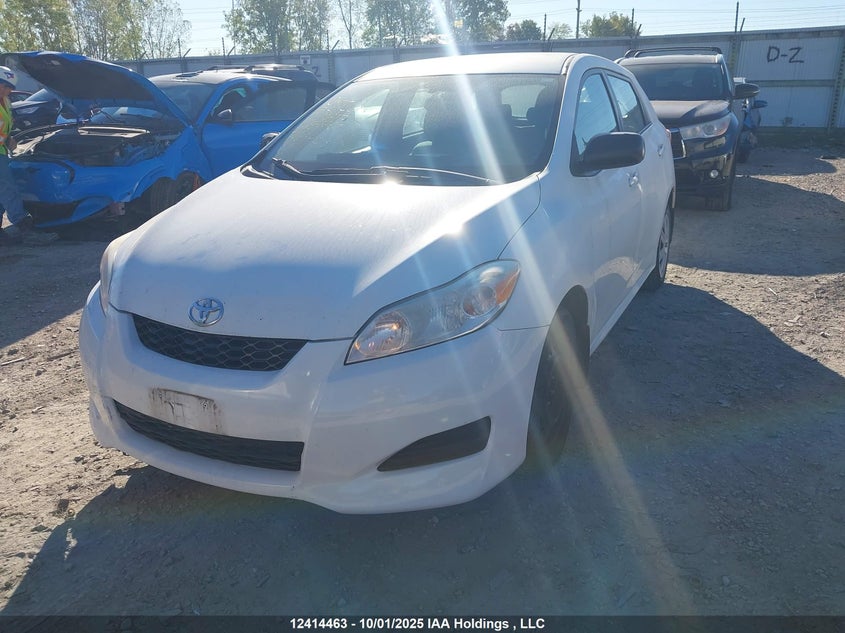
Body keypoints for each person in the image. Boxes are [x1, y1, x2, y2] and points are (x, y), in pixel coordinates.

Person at [0, 66, 55, 245]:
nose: (8, 91)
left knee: (3, 192)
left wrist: (10, 138)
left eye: (10, 88)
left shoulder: (6, 101)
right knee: (8, 190)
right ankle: (24, 227)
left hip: (2, 151)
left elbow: (5, 126)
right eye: (5, 86)